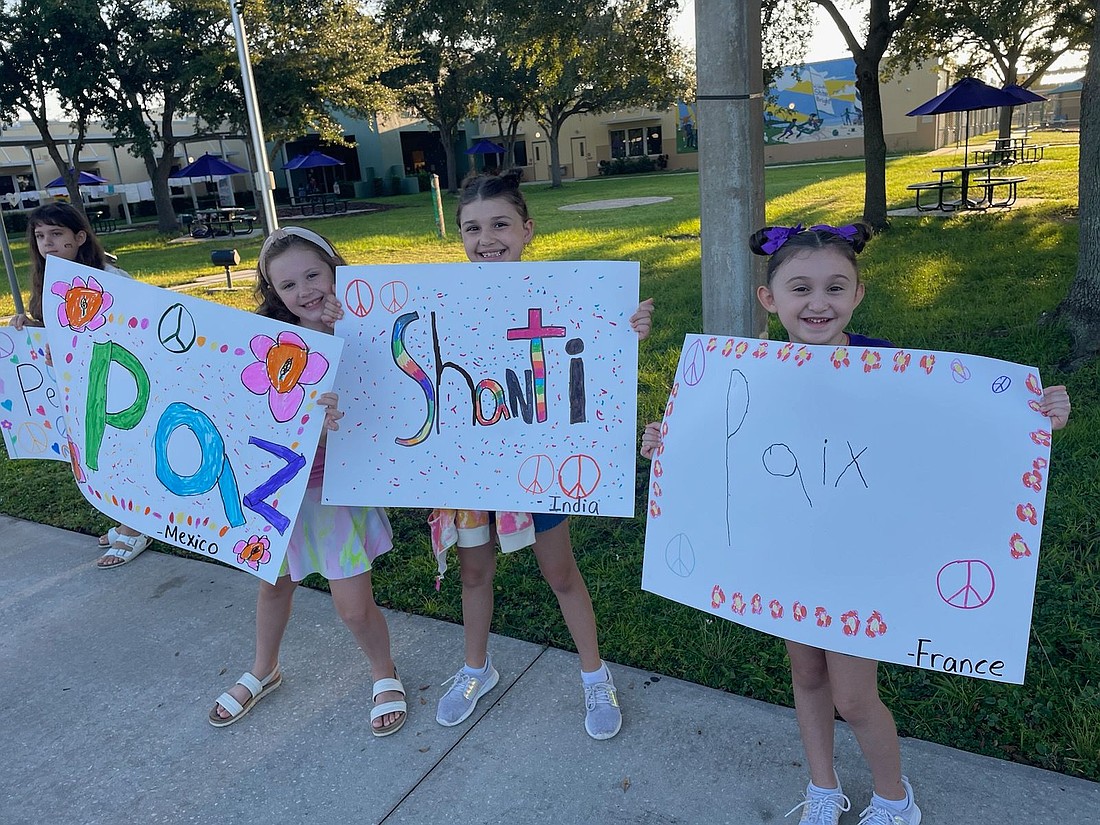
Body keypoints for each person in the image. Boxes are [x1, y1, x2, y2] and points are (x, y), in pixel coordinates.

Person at [641, 223, 1072, 825]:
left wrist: (1034, 415)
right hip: (789, 555)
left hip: (859, 564)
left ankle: (896, 797)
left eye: (835, 288)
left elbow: (956, 429)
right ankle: (823, 787)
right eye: (800, 289)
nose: (818, 303)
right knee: (807, 675)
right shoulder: (747, 371)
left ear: (858, 294)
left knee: (852, 694)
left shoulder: (890, 368)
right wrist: (669, 441)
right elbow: (718, 445)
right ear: (770, 300)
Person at [428, 170, 653, 741]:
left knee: (560, 572)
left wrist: (627, 328)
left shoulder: (565, 296)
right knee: (474, 574)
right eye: (472, 228)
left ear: (527, 230)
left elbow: (593, 350)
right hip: (471, 469)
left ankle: (594, 674)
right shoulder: (441, 301)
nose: (487, 238)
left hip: (539, 460)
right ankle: (477, 667)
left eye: (500, 224)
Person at [209, 227, 406, 736]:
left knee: (352, 605)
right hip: (279, 492)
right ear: (274, 294)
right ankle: (264, 668)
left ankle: (383, 671)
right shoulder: (264, 347)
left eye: (313, 274)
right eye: (288, 285)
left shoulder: (369, 330)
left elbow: (395, 399)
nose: (305, 291)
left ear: (336, 269)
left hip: (335, 490)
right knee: (272, 584)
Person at [9, 202, 152, 569]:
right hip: (80, 387)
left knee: (122, 453)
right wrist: (29, 325)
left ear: (80, 237)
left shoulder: (110, 278)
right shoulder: (49, 283)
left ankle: (135, 526)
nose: (48, 243)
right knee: (98, 455)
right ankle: (127, 517)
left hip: (118, 383)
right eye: (40, 236)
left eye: (57, 234)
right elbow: (59, 332)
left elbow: (138, 329)